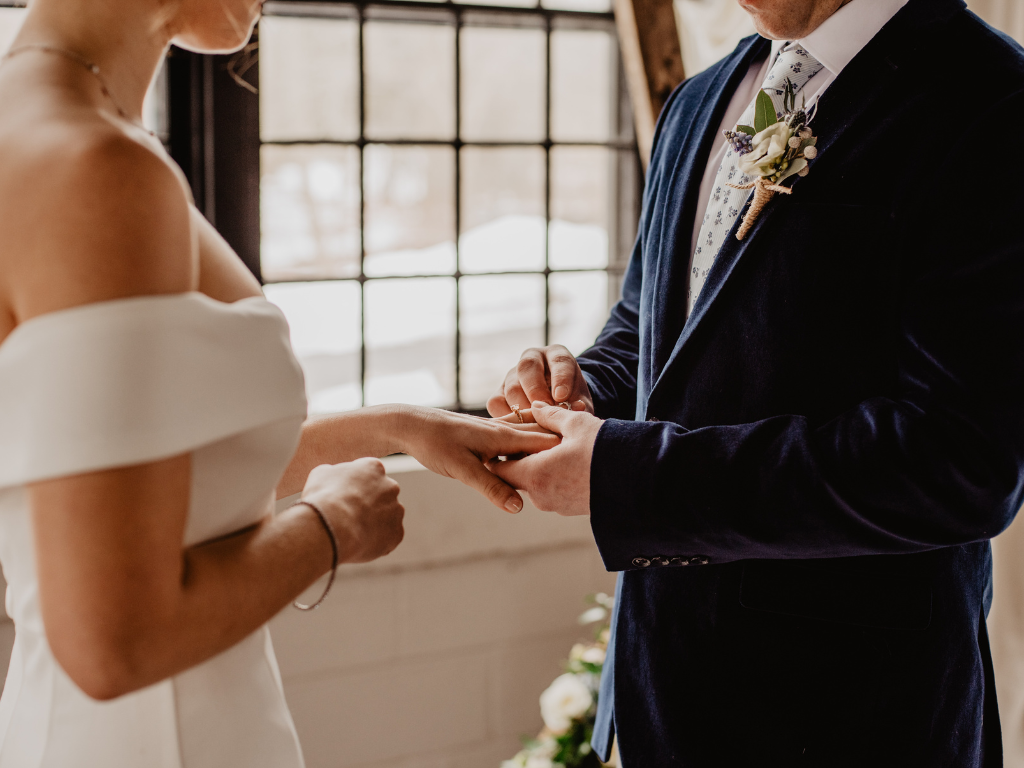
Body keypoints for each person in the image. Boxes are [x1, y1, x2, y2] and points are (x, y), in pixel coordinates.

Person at [0, 0, 559, 765]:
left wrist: (396, 429)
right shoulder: (93, 169)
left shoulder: (48, 127)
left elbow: (158, 481)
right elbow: (114, 642)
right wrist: (331, 527)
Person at [488, 0, 1024, 764]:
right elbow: (652, 324)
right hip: (661, 697)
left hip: (858, 718)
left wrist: (627, 476)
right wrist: (583, 388)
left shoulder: (990, 102)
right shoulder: (701, 99)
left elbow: (960, 462)